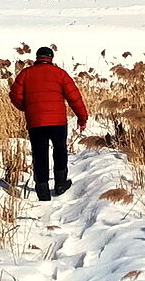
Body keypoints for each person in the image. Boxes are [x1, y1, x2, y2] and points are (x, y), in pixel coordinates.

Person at [9, 46, 88, 201]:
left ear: (37, 57)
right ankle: (60, 184)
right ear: (51, 58)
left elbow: (15, 95)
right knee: (60, 150)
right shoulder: (60, 74)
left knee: (40, 154)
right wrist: (82, 117)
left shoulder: (25, 74)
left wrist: (27, 108)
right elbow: (74, 97)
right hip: (58, 121)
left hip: (36, 121)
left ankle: (43, 190)